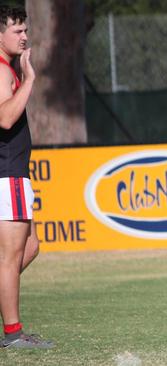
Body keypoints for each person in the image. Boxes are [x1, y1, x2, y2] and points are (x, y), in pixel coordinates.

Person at [0, 5, 53, 349]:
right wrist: (30, 79)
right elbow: (5, 118)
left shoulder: (8, 68)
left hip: (16, 174)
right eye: (17, 31)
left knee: (29, 247)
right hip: (8, 174)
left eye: (25, 30)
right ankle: (14, 334)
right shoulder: (2, 70)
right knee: (9, 257)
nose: (24, 36)